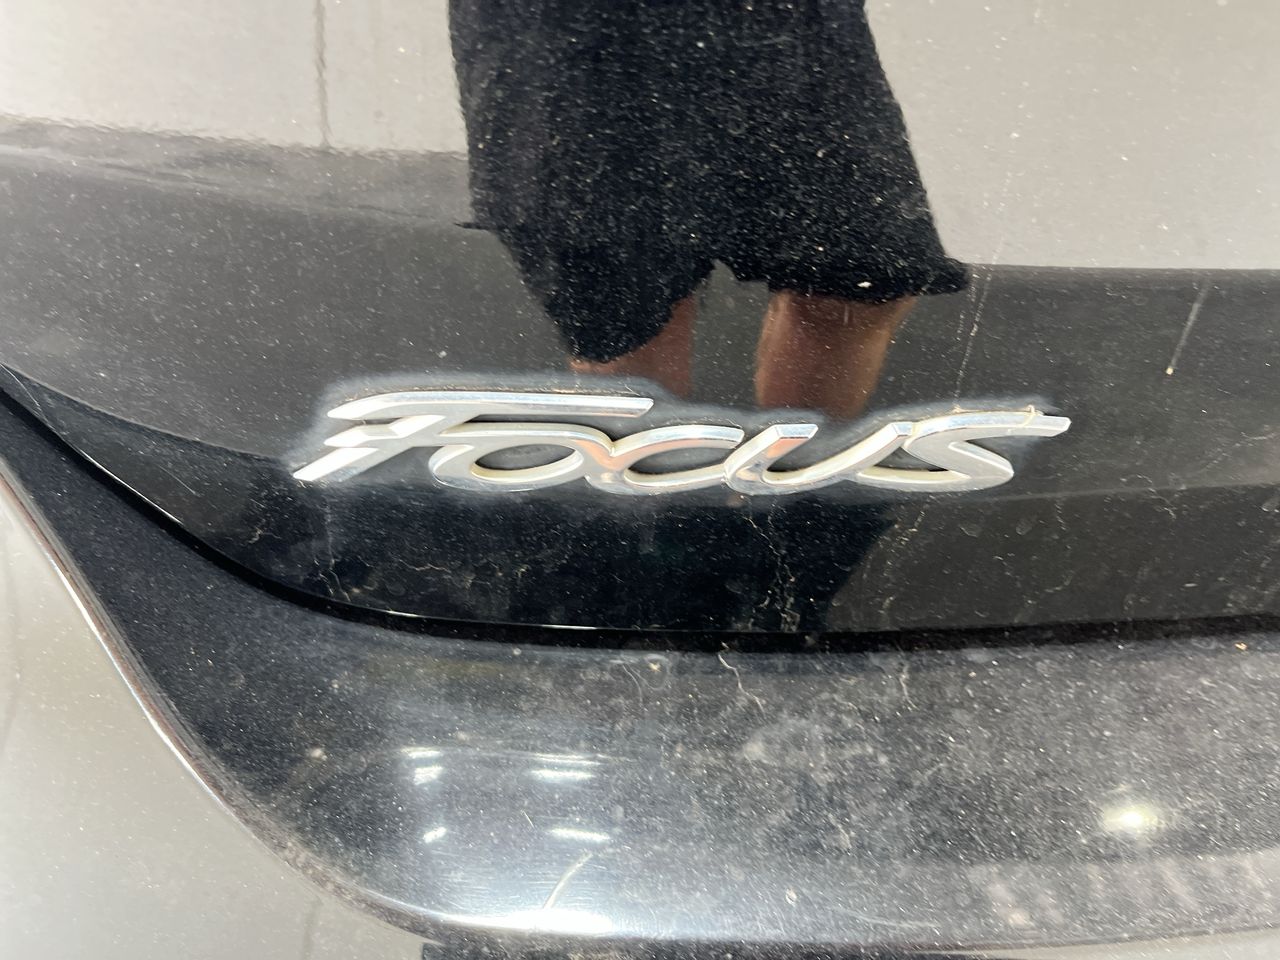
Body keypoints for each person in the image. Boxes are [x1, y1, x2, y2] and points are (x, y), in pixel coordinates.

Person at [450, 0, 968, 419]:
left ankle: (790, 500)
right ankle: (646, 504)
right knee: (624, 296)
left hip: (784, 17)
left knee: (861, 274)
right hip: (570, 22)